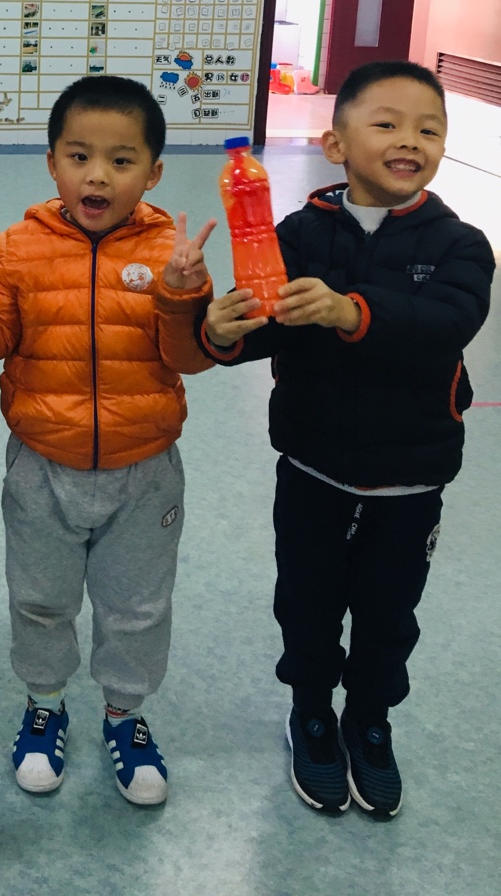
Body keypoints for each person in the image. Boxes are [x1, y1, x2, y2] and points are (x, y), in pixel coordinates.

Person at [199, 61, 494, 820]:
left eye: (429, 129)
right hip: (313, 464)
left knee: (389, 612)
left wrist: (351, 311)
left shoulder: (461, 245)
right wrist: (225, 332)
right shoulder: (298, 234)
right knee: (307, 600)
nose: (410, 140)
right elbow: (270, 322)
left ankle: (369, 719)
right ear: (335, 145)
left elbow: (448, 322)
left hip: (411, 475)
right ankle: (310, 712)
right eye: (387, 124)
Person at [0, 75, 215, 805]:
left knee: (138, 606)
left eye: (122, 161)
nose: (98, 176)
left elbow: (188, 359)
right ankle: (45, 705)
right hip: (41, 467)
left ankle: (125, 716)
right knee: (39, 599)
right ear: (52, 162)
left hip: (144, 469)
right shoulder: (18, 247)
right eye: (79, 156)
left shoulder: (169, 249)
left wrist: (184, 295)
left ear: (153, 173)